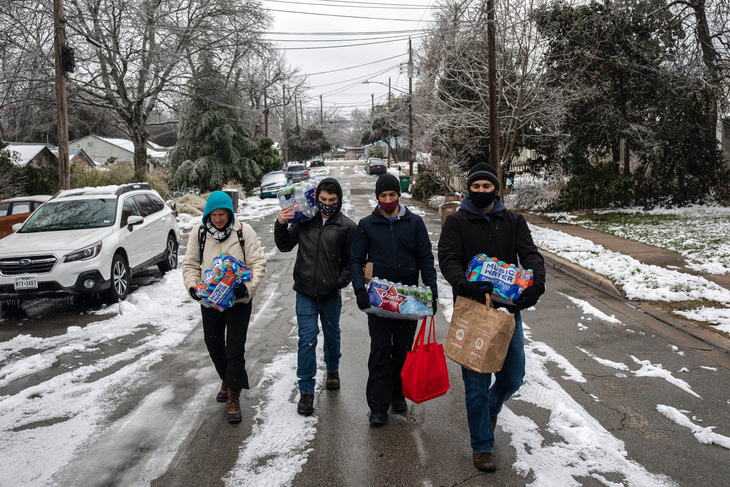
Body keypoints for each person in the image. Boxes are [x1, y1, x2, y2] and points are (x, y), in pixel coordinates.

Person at [437, 162, 545, 472]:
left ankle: (492, 406)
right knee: (475, 383)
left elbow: (531, 254)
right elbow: (448, 258)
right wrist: (463, 283)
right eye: (476, 186)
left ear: (496, 189)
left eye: (487, 186)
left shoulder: (513, 220)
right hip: (472, 310)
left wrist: (536, 283)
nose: (481, 191)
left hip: (507, 311)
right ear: (468, 188)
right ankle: (482, 446)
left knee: (513, 376)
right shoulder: (457, 221)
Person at [350, 173, 438, 426]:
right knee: (379, 350)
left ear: (399, 195)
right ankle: (378, 405)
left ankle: (398, 394)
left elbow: (425, 259)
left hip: (409, 300)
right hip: (379, 301)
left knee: (403, 348)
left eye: (392, 194)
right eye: (383, 196)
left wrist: (432, 291)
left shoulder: (415, 223)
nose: (388, 200)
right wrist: (359, 290)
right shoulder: (367, 225)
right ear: (377, 197)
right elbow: (356, 260)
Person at [183, 191, 267, 424]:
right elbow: (190, 264)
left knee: (234, 349)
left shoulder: (243, 232)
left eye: (222, 214)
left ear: (230, 213)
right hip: (210, 301)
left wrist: (246, 288)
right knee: (213, 345)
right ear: (207, 215)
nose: (218, 219)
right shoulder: (199, 234)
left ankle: (233, 395)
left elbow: (258, 262)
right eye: (214, 215)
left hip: (239, 301)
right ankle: (229, 378)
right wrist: (192, 287)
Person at [274, 178, 356, 416]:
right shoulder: (304, 220)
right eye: (323, 200)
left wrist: (339, 282)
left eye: (332, 200)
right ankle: (307, 392)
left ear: (338, 200)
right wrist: (281, 224)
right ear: (316, 198)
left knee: (332, 334)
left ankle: (332, 369)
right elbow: (284, 246)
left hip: (330, 294)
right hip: (305, 292)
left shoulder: (347, 227)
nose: (327, 204)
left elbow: (352, 261)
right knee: (307, 339)